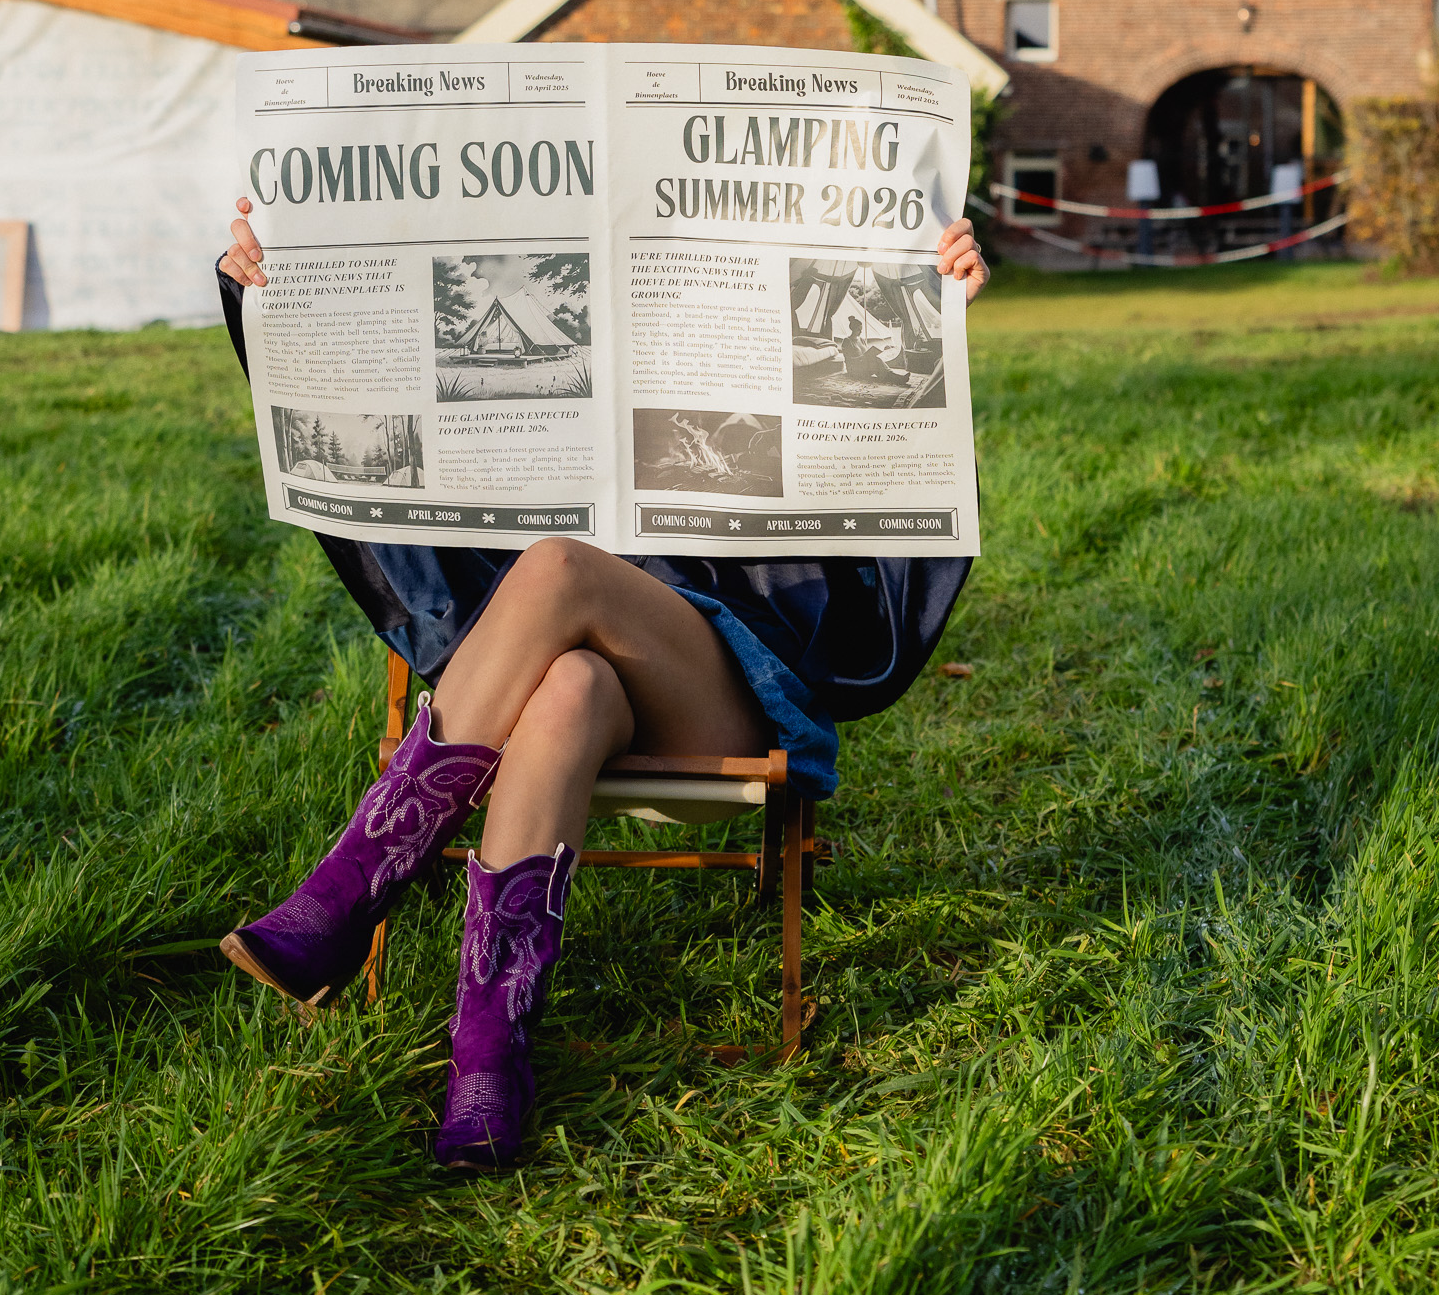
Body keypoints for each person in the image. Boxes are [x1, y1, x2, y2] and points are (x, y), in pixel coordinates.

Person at [213, 198, 990, 1170]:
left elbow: (885, 445)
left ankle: (347, 892)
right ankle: (488, 1061)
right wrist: (275, 296)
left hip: (720, 676)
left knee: (557, 568)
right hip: (552, 679)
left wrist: (935, 297)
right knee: (571, 683)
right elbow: (380, 406)